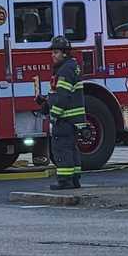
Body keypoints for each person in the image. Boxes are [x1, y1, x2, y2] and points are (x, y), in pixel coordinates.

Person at [36, 36, 85, 190]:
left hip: (64, 119)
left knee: (61, 149)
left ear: (65, 53)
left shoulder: (65, 70)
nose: (53, 55)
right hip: (72, 119)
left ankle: (65, 181)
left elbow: (62, 96)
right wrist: (46, 102)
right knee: (71, 149)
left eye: (56, 52)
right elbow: (59, 93)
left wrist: (54, 115)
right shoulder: (70, 67)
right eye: (52, 52)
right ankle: (75, 179)